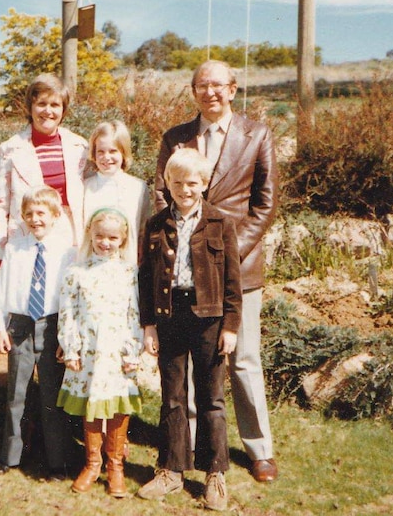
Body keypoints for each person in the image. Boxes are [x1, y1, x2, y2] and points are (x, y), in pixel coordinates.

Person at [152, 59, 280, 483]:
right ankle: (184, 446)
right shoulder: (175, 138)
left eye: (218, 85)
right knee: (188, 364)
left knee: (242, 358)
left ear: (233, 88)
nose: (210, 93)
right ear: (193, 91)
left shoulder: (256, 134)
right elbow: (160, 195)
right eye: (201, 85)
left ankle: (258, 448)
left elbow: (265, 204)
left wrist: (226, 253)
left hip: (237, 270)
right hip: (184, 274)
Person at [137, 148, 242, 511]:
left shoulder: (220, 223)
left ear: (205, 183)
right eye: (177, 182)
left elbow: (233, 282)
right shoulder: (155, 225)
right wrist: (148, 326)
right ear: (167, 183)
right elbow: (145, 278)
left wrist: (230, 326)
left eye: (192, 182)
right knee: (172, 396)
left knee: (211, 397)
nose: (184, 189)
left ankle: (214, 474)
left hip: (209, 320)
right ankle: (171, 469)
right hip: (169, 316)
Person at [0, 185, 76, 481]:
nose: (35, 219)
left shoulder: (67, 251)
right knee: (17, 393)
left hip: (52, 326)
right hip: (21, 325)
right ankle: (9, 457)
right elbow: (2, 291)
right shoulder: (15, 248)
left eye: (41, 213)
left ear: (55, 215)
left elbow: (69, 297)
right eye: (29, 214)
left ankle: (57, 462)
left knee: (52, 395)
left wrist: (67, 337)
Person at [57, 208, 142, 497]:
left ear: (123, 239)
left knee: (117, 407)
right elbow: (67, 313)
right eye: (100, 236)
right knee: (91, 406)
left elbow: (134, 313)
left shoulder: (130, 273)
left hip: (117, 353)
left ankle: (115, 466)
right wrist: (71, 348)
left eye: (112, 238)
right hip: (88, 353)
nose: (105, 242)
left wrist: (133, 350)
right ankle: (92, 463)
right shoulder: (76, 273)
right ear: (90, 235)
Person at [0, 73, 88, 270]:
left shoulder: (79, 146)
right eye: (41, 103)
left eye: (55, 105)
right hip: (26, 240)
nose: (48, 111)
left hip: (71, 241)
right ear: (31, 106)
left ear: (63, 109)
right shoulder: (10, 149)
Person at [83, 121, 152, 265]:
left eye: (113, 151)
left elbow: (142, 230)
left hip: (125, 266)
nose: (106, 157)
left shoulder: (138, 188)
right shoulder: (85, 187)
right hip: (89, 265)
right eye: (100, 152)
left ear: (123, 152)